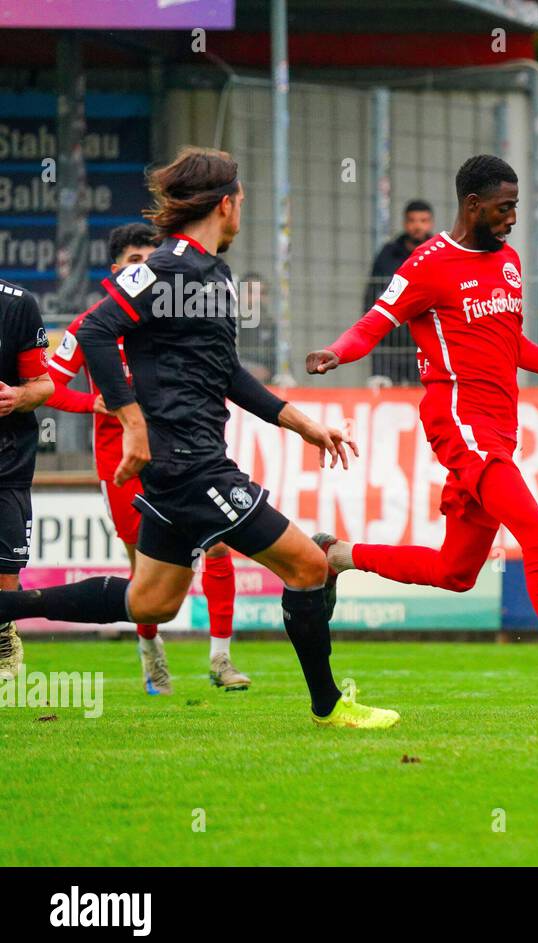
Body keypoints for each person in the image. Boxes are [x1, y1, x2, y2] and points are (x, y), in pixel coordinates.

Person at [0, 146, 397, 729]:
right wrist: (133, 422)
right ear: (225, 203)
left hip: (183, 466)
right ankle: (329, 706)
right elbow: (99, 331)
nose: (243, 211)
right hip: (191, 467)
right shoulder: (162, 267)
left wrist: (304, 423)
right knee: (310, 566)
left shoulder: (216, 275)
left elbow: (229, 374)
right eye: (242, 199)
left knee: (150, 601)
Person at [305, 154, 538, 719]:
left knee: (456, 572)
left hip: (498, 431)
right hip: (459, 423)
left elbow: (516, 348)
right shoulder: (428, 263)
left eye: (515, 207)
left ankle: (337, 556)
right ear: (473, 205)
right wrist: (338, 352)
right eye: (504, 208)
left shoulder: (508, 262)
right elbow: (376, 320)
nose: (512, 219)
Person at [44, 222, 248, 694]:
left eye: (152, 263)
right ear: (115, 272)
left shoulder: (173, 319)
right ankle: (152, 655)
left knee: (219, 542)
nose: (148, 272)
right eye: (137, 263)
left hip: (183, 454)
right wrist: (90, 402)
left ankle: (221, 657)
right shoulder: (90, 325)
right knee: (144, 575)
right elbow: (48, 385)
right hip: (122, 465)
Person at [0, 280, 54, 679]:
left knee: (5, 571)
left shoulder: (17, 305)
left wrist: (17, 398)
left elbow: (44, 385)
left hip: (7, 457)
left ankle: (2, 637)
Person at [364, 200, 434, 385]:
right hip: (389, 344)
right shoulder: (387, 254)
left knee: (425, 399)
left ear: (430, 223)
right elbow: (371, 294)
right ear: (405, 223)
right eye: (412, 220)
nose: (417, 226)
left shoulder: (439, 254)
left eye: (423, 220)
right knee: (386, 400)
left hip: (425, 344)